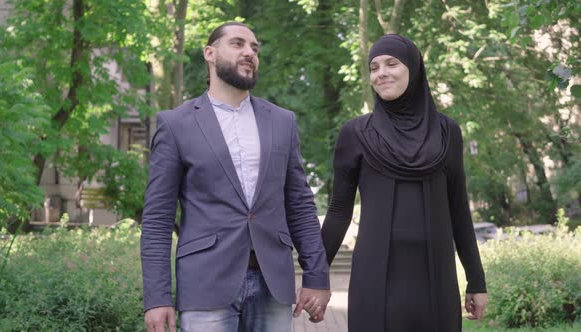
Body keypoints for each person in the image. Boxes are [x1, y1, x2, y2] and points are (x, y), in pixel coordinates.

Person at [140, 21, 331, 332]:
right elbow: (158, 219)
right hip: (205, 285)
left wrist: (317, 277)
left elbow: (300, 206)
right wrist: (157, 298)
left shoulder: (282, 122)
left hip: (274, 286)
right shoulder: (176, 125)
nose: (249, 52)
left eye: (254, 48)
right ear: (210, 53)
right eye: (238, 44)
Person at [321, 34, 488, 332]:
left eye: (391, 63)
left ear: (413, 68)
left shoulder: (447, 132)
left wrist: (476, 281)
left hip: (436, 277)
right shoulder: (356, 133)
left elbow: (459, 210)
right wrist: (315, 277)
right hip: (374, 277)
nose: (381, 73)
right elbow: (337, 212)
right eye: (373, 67)